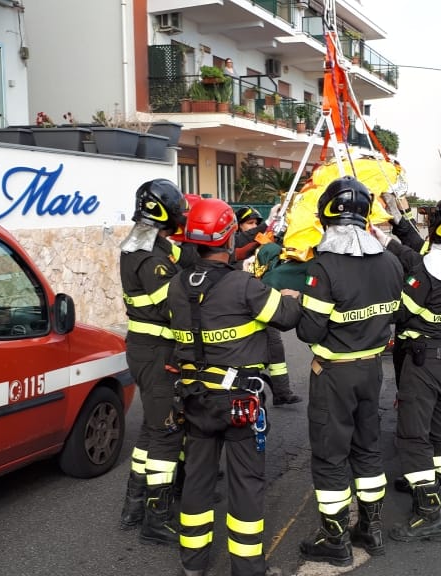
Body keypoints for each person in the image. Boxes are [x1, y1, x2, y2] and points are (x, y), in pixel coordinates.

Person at [165, 197, 301, 576]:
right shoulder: (243, 285)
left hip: (194, 398)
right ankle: (247, 567)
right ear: (228, 238)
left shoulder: (176, 286)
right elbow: (286, 317)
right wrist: (292, 296)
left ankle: (193, 563)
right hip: (238, 401)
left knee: (197, 481)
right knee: (246, 484)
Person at [296, 176, 404, 566]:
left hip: (334, 374)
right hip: (372, 370)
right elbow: (395, 313)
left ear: (327, 214)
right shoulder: (390, 262)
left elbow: (309, 331)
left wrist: (299, 303)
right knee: (367, 449)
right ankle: (371, 530)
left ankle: (335, 540)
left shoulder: (323, 267)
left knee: (330, 456)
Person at [369, 194, 441, 543]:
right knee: (440, 430)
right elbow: (417, 255)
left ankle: (429, 513)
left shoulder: (427, 272)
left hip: (422, 359)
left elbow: (400, 310)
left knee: (412, 436)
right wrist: (387, 236)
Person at [117, 178, 194, 544]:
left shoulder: (143, 244)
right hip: (159, 352)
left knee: (151, 429)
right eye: (178, 210)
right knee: (166, 433)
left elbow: (179, 259)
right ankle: (156, 519)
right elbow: (173, 309)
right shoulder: (151, 259)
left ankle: (134, 508)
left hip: (145, 350)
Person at [234, 205, 302, 407]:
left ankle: (282, 392)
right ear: (238, 226)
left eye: (255, 223)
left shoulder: (265, 242)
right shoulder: (236, 247)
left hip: (263, 301)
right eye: (249, 223)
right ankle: (245, 395)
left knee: (275, 346)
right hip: (241, 309)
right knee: (246, 354)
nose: (253, 226)